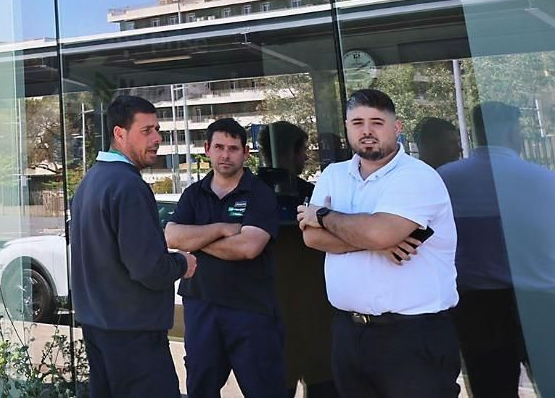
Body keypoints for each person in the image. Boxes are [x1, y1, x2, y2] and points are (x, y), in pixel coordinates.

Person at [298, 88, 460, 397]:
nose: (367, 131)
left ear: (396, 127)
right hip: (349, 333)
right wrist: (376, 239)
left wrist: (323, 214)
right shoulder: (334, 174)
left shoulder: (417, 177)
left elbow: (379, 233)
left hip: (412, 335)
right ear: (347, 127)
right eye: (357, 123)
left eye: (377, 122)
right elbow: (312, 236)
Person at [68, 95, 197, 398]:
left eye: (157, 129)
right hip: (133, 336)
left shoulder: (90, 181)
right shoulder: (127, 186)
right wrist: (182, 263)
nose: (157, 139)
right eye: (147, 130)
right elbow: (147, 267)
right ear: (119, 133)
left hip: (99, 327)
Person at [439, 101, 554, 397]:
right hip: (540, 301)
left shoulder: (446, 179)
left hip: (477, 307)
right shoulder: (544, 180)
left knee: (492, 389)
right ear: (513, 132)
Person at [164, 118, 283, 398]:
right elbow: (171, 237)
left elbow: (248, 247)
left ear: (245, 153)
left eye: (233, 148)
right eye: (219, 147)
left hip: (251, 309)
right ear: (207, 149)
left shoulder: (260, 194)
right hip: (201, 305)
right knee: (200, 389)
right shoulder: (194, 193)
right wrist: (219, 230)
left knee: (264, 390)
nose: (225, 154)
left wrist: (196, 239)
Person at [258, 121, 337, 398]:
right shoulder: (256, 195)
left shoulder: (311, 193)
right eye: (303, 150)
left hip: (302, 312)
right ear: (288, 152)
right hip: (294, 313)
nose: (305, 157)